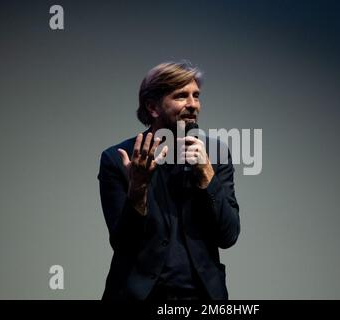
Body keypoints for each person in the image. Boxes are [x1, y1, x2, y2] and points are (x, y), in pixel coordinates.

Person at [97, 61, 240, 300]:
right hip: (138, 295)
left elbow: (228, 235)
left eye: (196, 96)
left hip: (202, 296)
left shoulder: (215, 154)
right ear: (153, 107)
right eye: (181, 96)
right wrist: (138, 187)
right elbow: (124, 244)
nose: (193, 105)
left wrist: (206, 173)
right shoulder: (117, 159)